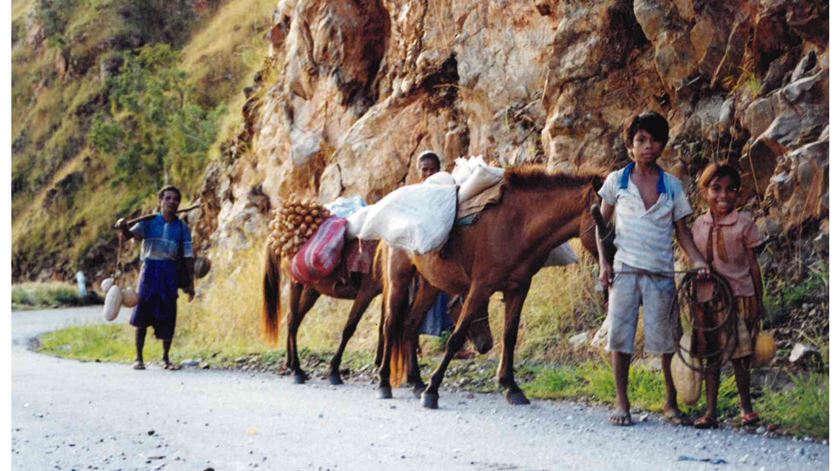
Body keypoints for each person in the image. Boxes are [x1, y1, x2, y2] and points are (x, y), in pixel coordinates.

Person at [596, 111, 710, 426]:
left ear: (662, 145)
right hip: (625, 271)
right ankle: (622, 402)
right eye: (641, 140)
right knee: (621, 339)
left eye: (654, 140)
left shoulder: (672, 186)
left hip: (661, 272)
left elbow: (682, 232)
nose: (647, 146)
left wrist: (698, 260)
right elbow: (600, 226)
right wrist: (604, 264)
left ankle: (670, 402)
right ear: (630, 146)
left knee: (667, 340)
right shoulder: (616, 181)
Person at [690, 163, 764, 429]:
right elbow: (693, 259)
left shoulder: (745, 225)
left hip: (739, 297)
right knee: (711, 355)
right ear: (704, 192)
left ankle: (746, 408)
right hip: (707, 300)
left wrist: (758, 299)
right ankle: (711, 411)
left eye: (731, 189)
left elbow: (753, 264)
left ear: (739, 193)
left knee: (741, 356)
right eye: (716, 189)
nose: (724, 195)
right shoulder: (698, 225)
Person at [117, 185, 194, 370]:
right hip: (149, 271)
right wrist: (123, 226)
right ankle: (139, 358)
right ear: (160, 201)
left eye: (175, 199)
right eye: (168, 198)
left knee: (168, 313)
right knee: (142, 312)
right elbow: (128, 236)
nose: (172, 202)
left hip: (169, 272)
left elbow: (188, 257)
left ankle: (166, 358)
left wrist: (190, 283)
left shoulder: (182, 228)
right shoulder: (148, 222)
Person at [413, 151, 456, 337]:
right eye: (425, 170)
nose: (429, 174)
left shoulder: (446, 193)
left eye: (433, 170)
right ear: (419, 172)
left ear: (439, 171)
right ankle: (411, 342)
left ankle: (447, 338)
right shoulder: (414, 194)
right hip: (416, 254)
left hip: (440, 254)